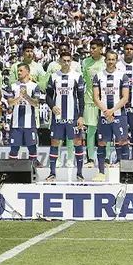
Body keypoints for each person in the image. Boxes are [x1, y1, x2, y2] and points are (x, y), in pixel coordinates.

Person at [45, 51, 86, 182]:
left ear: (71, 62)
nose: (66, 63)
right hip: (57, 118)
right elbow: (48, 96)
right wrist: (52, 106)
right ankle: (52, 173)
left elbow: (81, 98)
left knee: (77, 142)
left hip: (72, 117)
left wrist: (81, 116)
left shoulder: (77, 76)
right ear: (60, 62)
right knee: (54, 143)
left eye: (69, 61)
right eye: (64, 61)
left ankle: (79, 174)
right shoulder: (53, 76)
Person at [92, 51, 130, 180]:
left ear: (116, 61)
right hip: (104, 115)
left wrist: (112, 110)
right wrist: (106, 111)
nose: (110, 62)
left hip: (119, 114)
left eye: (113, 59)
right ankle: (101, 173)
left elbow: (125, 97)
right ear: (105, 60)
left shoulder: (122, 76)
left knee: (122, 141)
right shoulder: (98, 76)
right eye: (109, 59)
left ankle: (124, 173)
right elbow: (96, 97)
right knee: (102, 142)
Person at [5, 64, 43, 166]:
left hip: (30, 123)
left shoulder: (34, 86)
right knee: (14, 148)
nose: (19, 73)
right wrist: (19, 97)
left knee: (32, 148)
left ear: (28, 72)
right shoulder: (13, 86)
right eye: (18, 71)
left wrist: (26, 96)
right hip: (16, 123)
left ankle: (33, 170)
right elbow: (10, 102)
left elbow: (35, 103)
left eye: (21, 70)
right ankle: (12, 170)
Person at [81, 38, 107, 169]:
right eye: (90, 48)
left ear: (101, 49)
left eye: (94, 48)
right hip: (90, 100)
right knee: (91, 130)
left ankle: (106, 158)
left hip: (105, 101)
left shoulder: (106, 61)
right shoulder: (85, 62)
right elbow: (83, 80)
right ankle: (90, 158)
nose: (91, 50)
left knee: (106, 130)